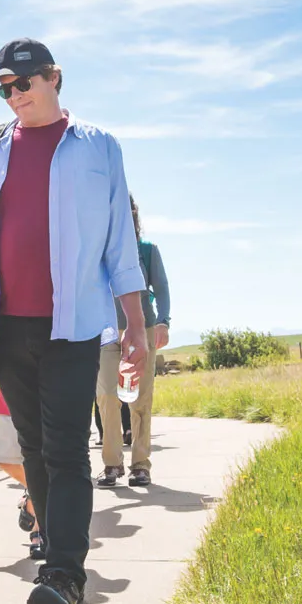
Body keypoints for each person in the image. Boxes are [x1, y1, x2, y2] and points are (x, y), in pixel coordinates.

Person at [0, 38, 147, 604]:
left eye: (25, 82)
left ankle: (63, 576)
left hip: (74, 324)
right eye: (5, 87)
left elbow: (119, 243)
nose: (16, 94)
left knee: (65, 451)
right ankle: (56, 564)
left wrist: (135, 324)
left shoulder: (97, 147)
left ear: (54, 78)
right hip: (4, 325)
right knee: (33, 448)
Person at [95, 199, 171, 488]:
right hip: (105, 333)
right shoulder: (98, 251)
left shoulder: (147, 250)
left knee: (141, 399)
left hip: (143, 331)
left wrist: (163, 321)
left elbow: (162, 289)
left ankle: (141, 465)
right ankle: (112, 464)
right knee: (106, 396)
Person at [0, 390, 44, 558]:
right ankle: (35, 492)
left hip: (48, 398)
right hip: (10, 398)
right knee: (5, 459)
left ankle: (39, 530)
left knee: (42, 462)